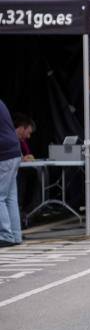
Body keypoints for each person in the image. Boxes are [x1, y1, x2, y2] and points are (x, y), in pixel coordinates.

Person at [0, 99, 22, 247]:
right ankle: (15, 234)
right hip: (14, 151)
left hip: (4, 153)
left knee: (0, 196)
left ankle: (5, 235)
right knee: (10, 197)